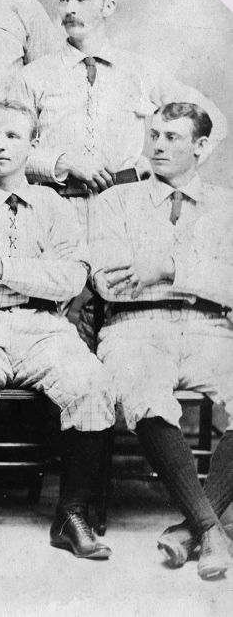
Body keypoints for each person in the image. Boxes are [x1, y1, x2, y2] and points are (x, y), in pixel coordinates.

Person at [0, 100, 115, 570]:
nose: (0, 144)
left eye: (12, 136)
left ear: (32, 146)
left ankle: (71, 514)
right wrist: (33, 277)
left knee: (90, 383)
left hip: (45, 327)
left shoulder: (54, 205)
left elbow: (71, 280)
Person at [91, 101, 233, 580]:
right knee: (146, 394)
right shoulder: (115, 201)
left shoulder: (227, 205)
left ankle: (192, 528)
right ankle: (211, 532)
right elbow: (110, 283)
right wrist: (204, 275)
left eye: (172, 137)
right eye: (153, 134)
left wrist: (166, 268)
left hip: (210, 328)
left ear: (201, 147)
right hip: (134, 326)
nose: (158, 145)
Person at [15, 0, 213, 236]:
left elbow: (212, 123)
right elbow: (7, 154)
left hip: (127, 213)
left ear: (108, 7)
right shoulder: (33, 76)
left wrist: (166, 172)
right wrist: (65, 162)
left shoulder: (141, 70)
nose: (70, 9)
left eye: (81, 0)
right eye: (64, 0)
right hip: (55, 213)